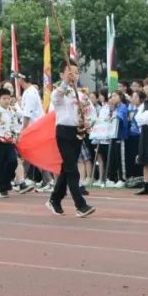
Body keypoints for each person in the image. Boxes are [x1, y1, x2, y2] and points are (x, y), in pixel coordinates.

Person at [45, 59, 96, 218]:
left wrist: (89, 122)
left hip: (78, 133)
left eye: (75, 72)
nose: (73, 75)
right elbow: (56, 99)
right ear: (62, 74)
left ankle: (54, 199)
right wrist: (66, 82)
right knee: (72, 170)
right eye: (69, 72)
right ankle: (80, 205)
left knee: (66, 169)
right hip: (63, 133)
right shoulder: (58, 92)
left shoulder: (82, 95)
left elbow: (92, 113)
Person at [0, 87, 24, 198]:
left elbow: (16, 125)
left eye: (8, 98)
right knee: (0, 166)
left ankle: (6, 182)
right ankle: (2, 190)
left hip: (9, 142)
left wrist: (16, 135)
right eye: (4, 98)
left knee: (13, 162)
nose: (7, 101)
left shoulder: (12, 111)